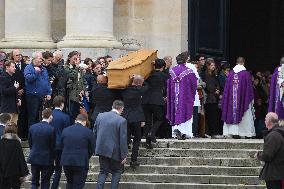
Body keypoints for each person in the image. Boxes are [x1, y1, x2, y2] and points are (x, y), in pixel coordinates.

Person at [94, 100, 128, 189]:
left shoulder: (100, 116)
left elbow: (95, 132)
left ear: (112, 106)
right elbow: (123, 140)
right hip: (115, 152)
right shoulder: (122, 120)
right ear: (122, 109)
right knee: (117, 172)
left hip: (101, 150)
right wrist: (124, 155)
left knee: (103, 172)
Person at [221, 57, 255, 138]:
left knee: (231, 111)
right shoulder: (246, 74)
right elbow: (249, 90)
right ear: (243, 63)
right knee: (245, 114)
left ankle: (230, 132)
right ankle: (243, 133)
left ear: (236, 63)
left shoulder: (231, 74)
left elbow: (226, 90)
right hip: (242, 101)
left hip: (231, 102)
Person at [167, 52, 197, 140]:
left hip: (174, 97)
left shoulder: (171, 71)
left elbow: (168, 84)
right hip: (185, 97)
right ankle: (184, 132)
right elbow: (194, 84)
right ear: (185, 60)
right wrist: (191, 94)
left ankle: (176, 130)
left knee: (175, 111)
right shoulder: (189, 71)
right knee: (185, 111)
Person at [61, 114, 95, 189]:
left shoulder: (65, 130)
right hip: (81, 161)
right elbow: (92, 148)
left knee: (69, 182)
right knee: (78, 184)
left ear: (75, 121)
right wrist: (86, 156)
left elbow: (62, 145)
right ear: (85, 122)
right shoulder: (88, 132)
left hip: (67, 161)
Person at [121, 75, 148, 168]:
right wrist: (140, 81)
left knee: (125, 140)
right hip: (136, 118)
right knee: (137, 139)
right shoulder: (140, 90)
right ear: (140, 83)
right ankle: (133, 160)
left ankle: (122, 163)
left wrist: (130, 80)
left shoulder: (124, 90)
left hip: (126, 117)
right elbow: (147, 86)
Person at [142, 59, 168, 148]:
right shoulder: (164, 75)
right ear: (163, 67)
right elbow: (167, 87)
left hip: (145, 100)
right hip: (157, 100)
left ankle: (147, 142)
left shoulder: (148, 75)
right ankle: (151, 133)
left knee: (148, 122)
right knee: (160, 119)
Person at [27, 108, 55, 189]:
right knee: (45, 181)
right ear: (50, 116)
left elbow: (30, 143)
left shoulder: (32, 127)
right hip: (46, 158)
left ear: (42, 115)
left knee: (34, 182)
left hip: (34, 156)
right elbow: (52, 146)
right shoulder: (51, 129)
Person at [256, 112, 284, 189]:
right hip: (279, 173)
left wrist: (258, 155)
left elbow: (267, 156)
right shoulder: (279, 133)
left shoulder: (273, 136)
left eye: (265, 119)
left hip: (274, 174)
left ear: (269, 122)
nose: (264, 121)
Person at [24, 51, 52, 126]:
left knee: (41, 118)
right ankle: (32, 135)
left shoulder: (43, 68)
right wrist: (36, 72)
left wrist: (49, 92)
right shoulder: (28, 67)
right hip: (33, 97)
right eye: (40, 58)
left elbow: (47, 81)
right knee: (33, 117)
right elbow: (28, 78)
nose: (42, 60)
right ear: (34, 59)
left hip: (42, 97)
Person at [0, 123, 29, 189]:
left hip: (2, 172)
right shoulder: (16, 143)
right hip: (14, 172)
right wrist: (24, 172)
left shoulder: (1, 142)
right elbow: (20, 158)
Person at [50, 96, 70, 189]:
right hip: (60, 146)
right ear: (62, 104)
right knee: (58, 169)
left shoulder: (48, 115)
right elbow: (67, 133)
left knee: (48, 168)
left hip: (48, 145)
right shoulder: (65, 117)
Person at [65, 51, 87, 123]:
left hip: (80, 96)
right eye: (74, 59)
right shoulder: (66, 67)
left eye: (78, 59)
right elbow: (72, 76)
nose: (76, 61)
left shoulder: (79, 69)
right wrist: (77, 67)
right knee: (72, 115)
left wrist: (84, 89)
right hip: (71, 96)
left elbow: (83, 81)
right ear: (69, 58)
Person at [12, 49, 28, 141]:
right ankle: (16, 133)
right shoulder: (11, 66)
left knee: (24, 114)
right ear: (13, 56)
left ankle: (23, 134)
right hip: (15, 94)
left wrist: (23, 89)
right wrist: (17, 90)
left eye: (20, 55)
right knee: (16, 115)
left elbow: (27, 80)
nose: (19, 57)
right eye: (17, 55)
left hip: (24, 93)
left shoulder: (25, 66)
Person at [203, 58, 222, 138]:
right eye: (211, 65)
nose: (213, 67)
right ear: (207, 66)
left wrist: (218, 90)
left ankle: (215, 132)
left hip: (215, 98)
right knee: (211, 116)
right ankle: (211, 132)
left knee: (215, 116)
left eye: (214, 65)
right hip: (209, 99)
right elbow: (208, 86)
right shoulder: (205, 75)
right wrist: (215, 91)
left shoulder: (214, 75)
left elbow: (218, 85)